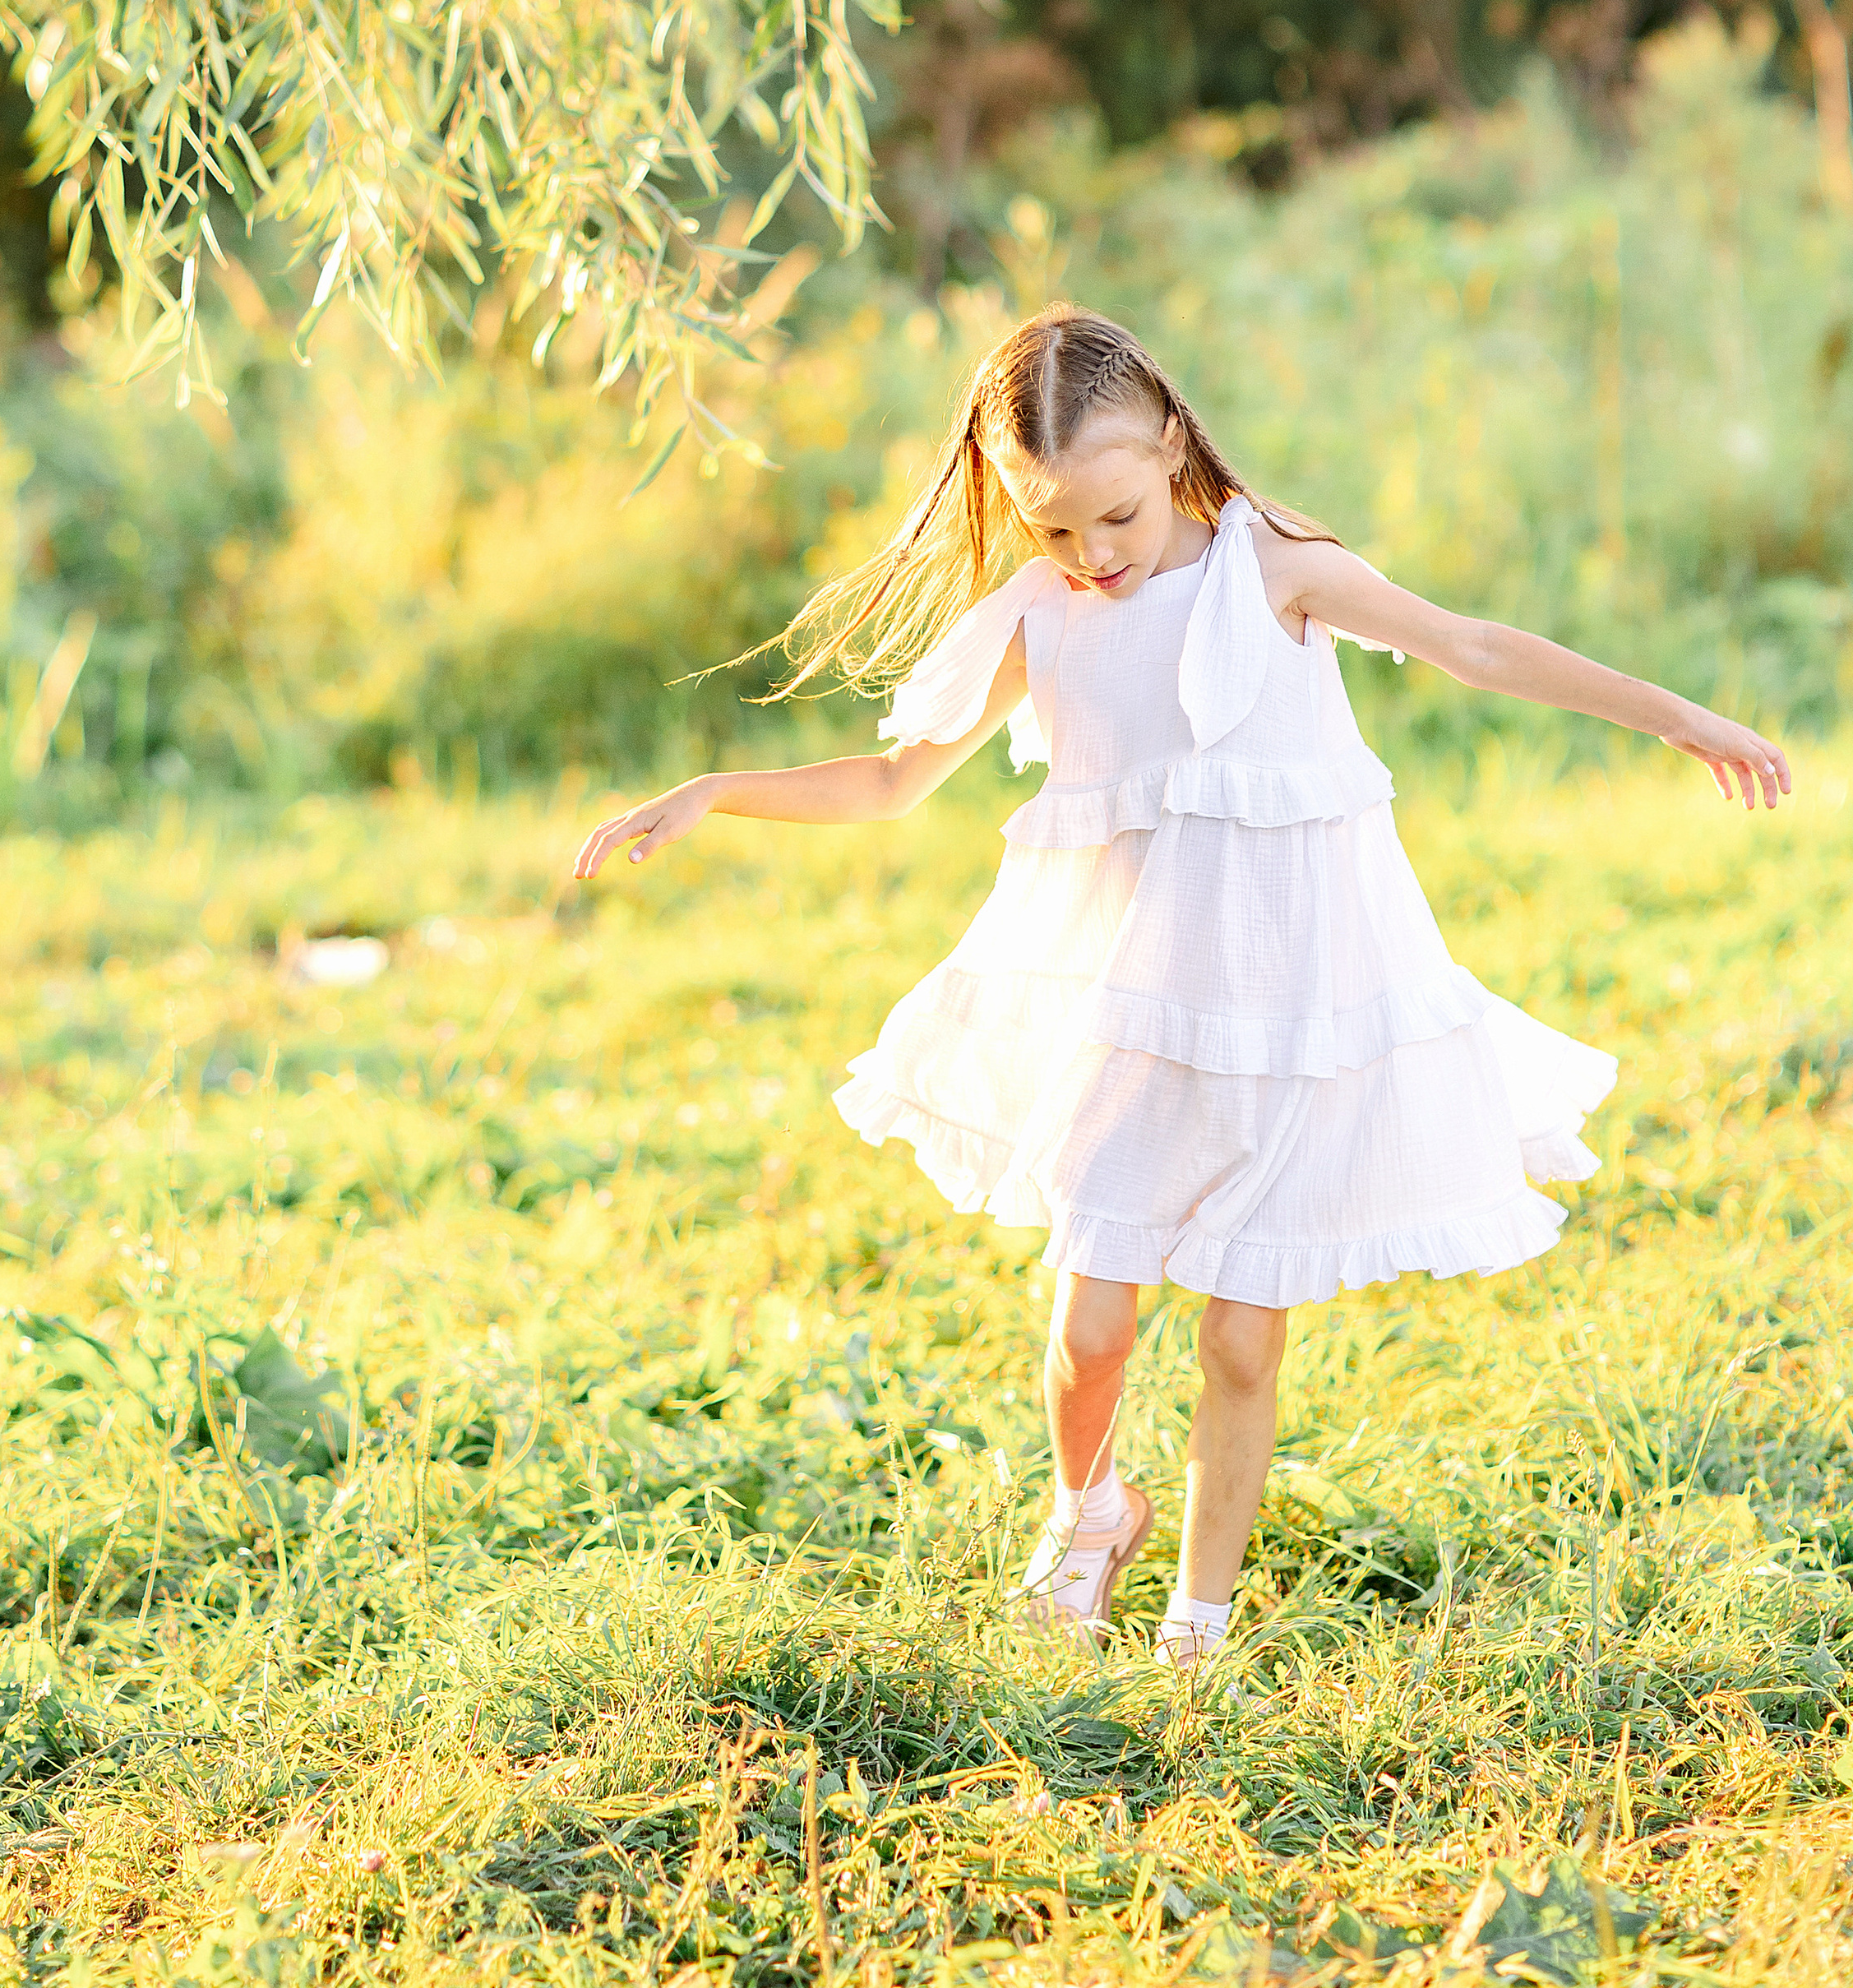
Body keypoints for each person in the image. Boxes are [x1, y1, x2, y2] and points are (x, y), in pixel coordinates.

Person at [573, 306, 1791, 1665]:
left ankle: (1194, 1628)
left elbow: (1479, 647)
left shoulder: (1274, 569)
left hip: (1289, 1015)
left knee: (1240, 1344)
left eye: (1117, 516)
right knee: (1091, 1325)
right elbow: (889, 781)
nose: (1093, 556)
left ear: (1166, 443)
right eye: (1054, 530)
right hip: (1140, 1020)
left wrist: (1683, 717)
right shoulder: (1039, 618)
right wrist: (710, 794)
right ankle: (1088, 1515)